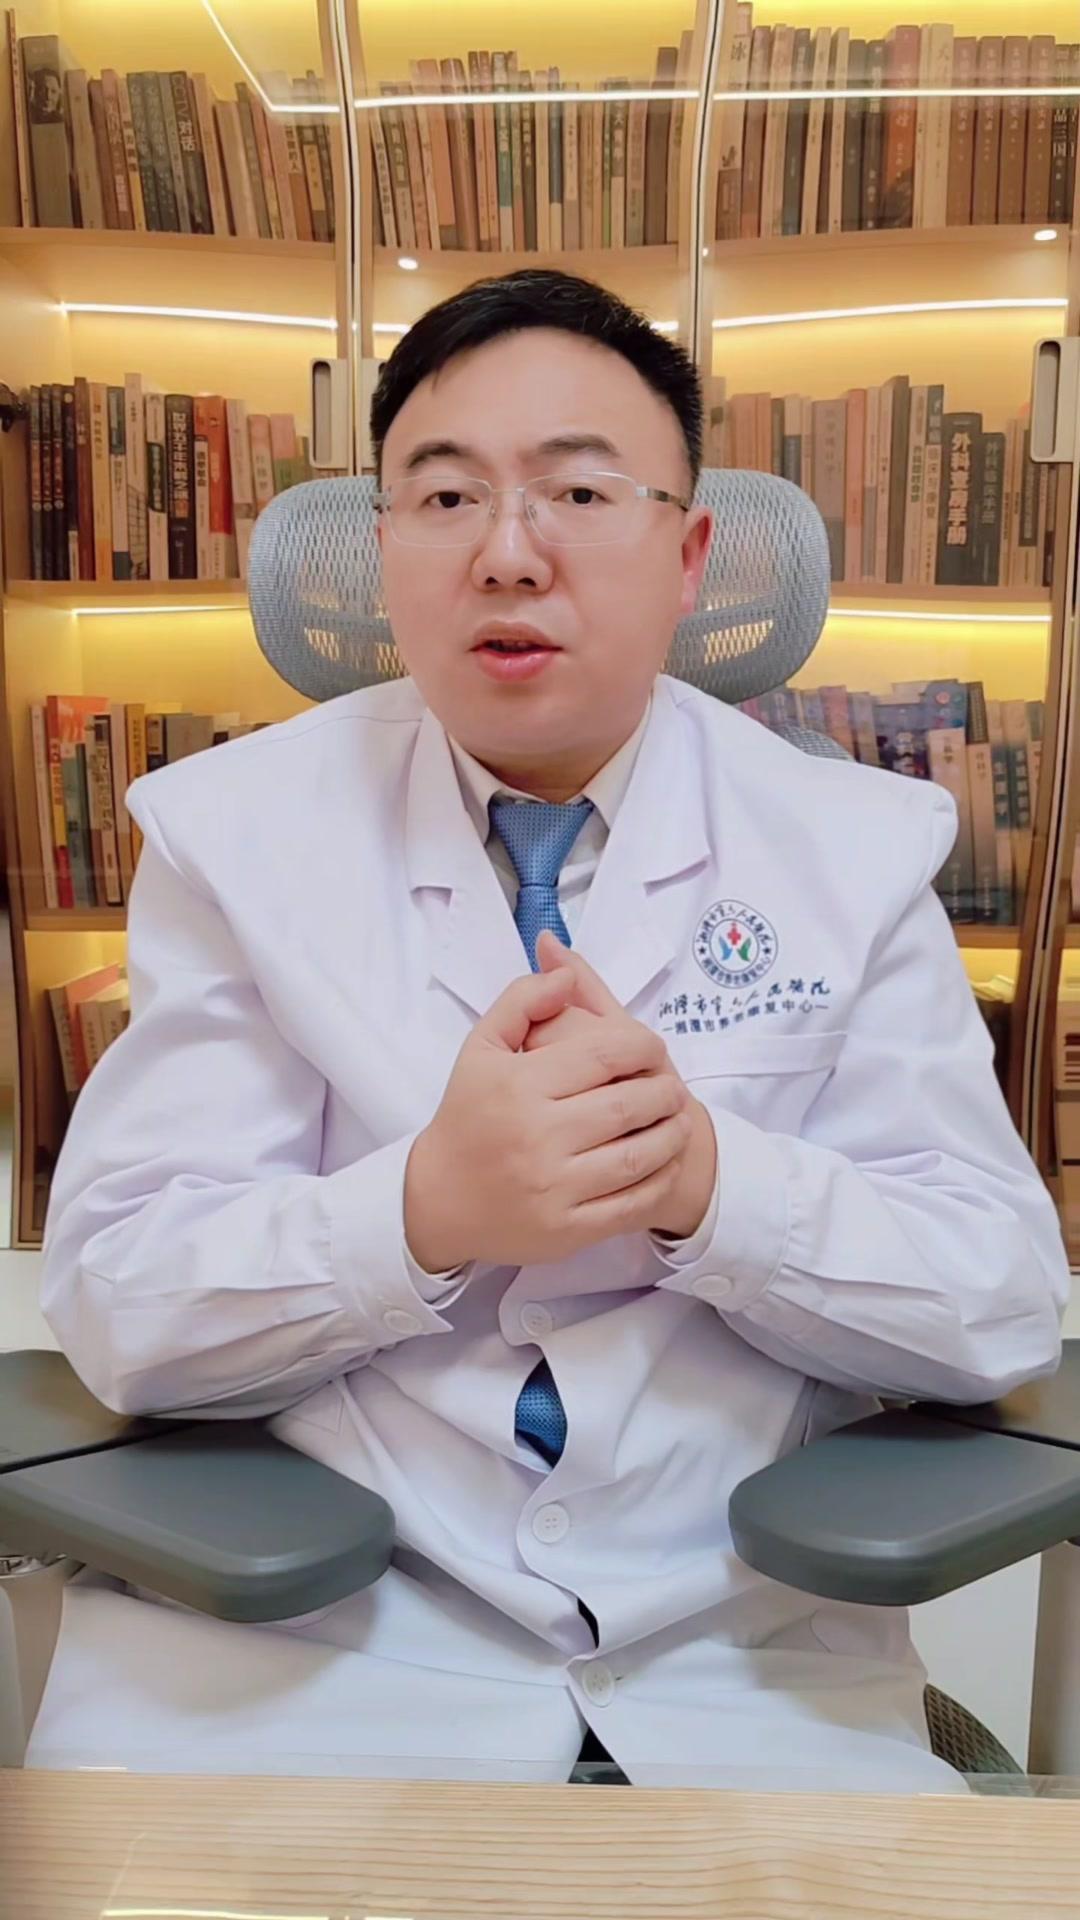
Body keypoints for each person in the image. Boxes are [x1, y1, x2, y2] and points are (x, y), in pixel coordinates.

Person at [31, 269, 1068, 1790]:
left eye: (578, 492)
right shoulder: (231, 837)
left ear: (689, 555)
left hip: (732, 1643)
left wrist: (710, 1189)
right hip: (301, 1644)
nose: (508, 554)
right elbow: (125, 1299)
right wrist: (422, 1216)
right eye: (445, 497)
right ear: (384, 547)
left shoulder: (852, 846)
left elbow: (998, 1299)